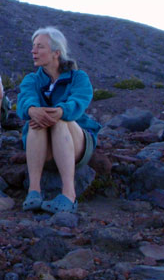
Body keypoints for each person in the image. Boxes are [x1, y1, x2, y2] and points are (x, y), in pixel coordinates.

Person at [16, 27, 101, 213]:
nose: (33, 51)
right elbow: (24, 99)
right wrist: (32, 109)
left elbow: (79, 100)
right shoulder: (31, 79)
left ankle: (69, 195)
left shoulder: (78, 77)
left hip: (75, 144)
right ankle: (34, 190)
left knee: (60, 122)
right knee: (35, 123)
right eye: (33, 46)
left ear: (56, 52)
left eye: (40, 47)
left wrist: (61, 111)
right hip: (42, 148)